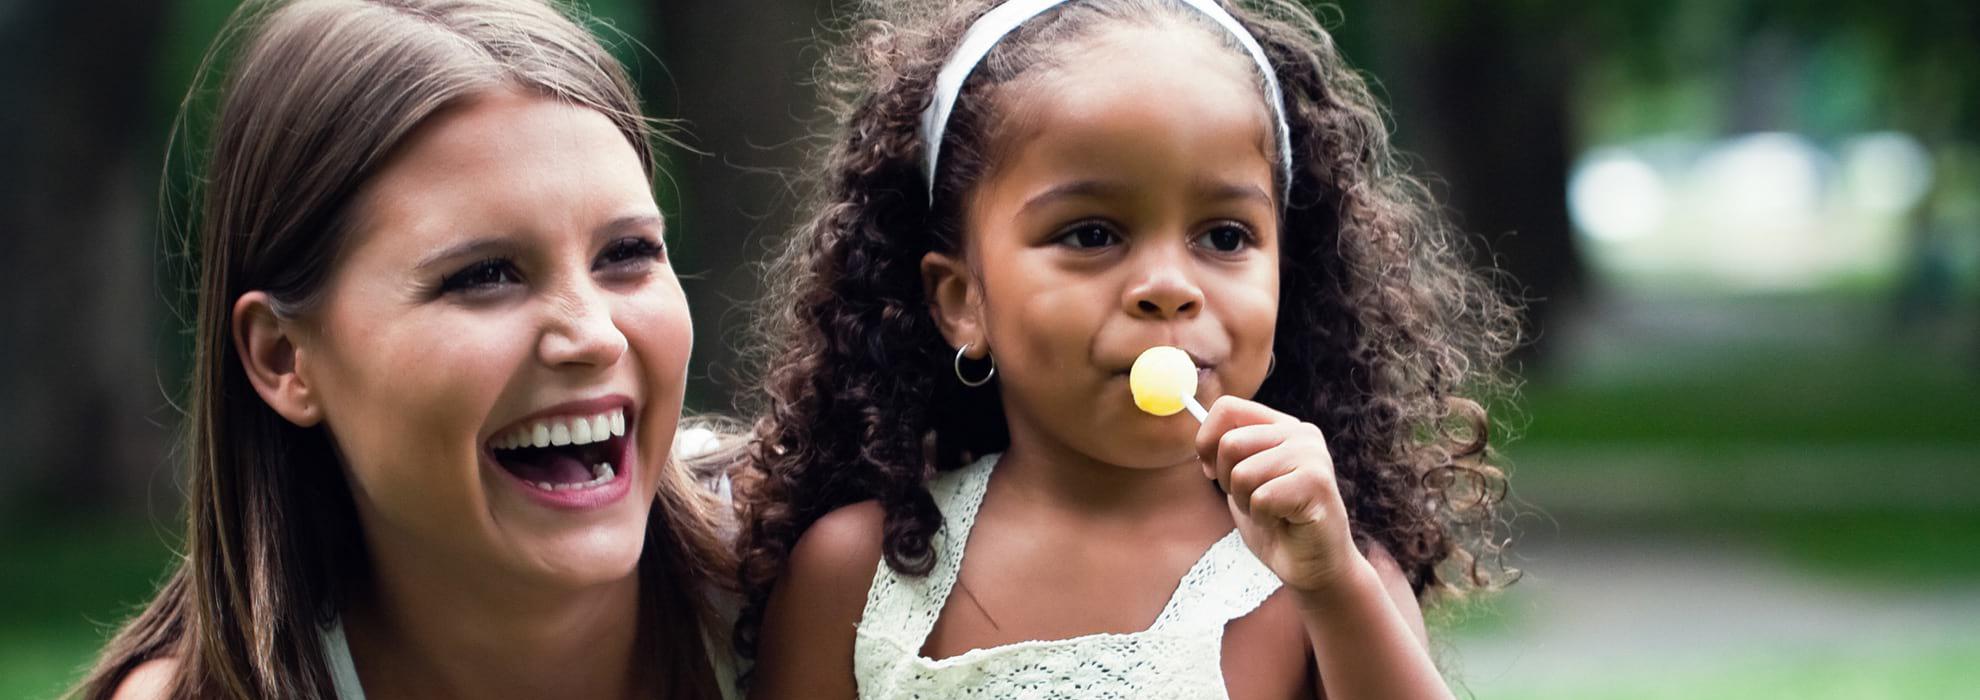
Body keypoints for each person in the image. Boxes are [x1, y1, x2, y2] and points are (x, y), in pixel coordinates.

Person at [734, 0, 1520, 697]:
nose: (1168, 286)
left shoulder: (1318, 578)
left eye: (1224, 235)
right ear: (962, 300)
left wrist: (1336, 589)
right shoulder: (856, 574)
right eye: (1091, 234)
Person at [77, 1, 735, 697]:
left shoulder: (824, 588)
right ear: (282, 358)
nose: (595, 336)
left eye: (627, 253)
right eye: (484, 276)